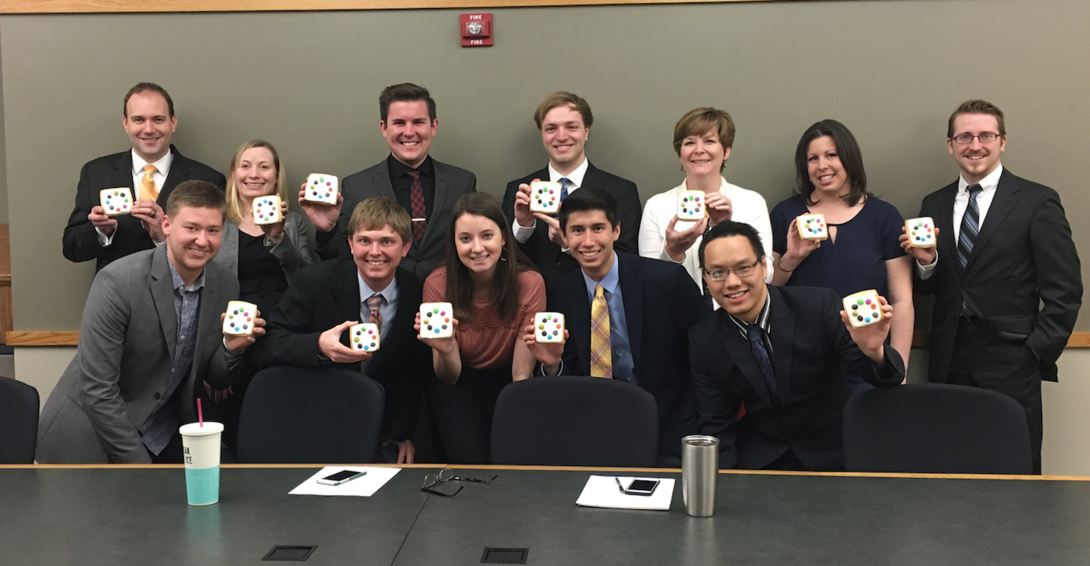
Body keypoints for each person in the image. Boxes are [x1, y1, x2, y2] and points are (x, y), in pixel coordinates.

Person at [902, 100, 1082, 474]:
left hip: (1013, 360)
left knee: (1014, 466)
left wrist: (1033, 353)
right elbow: (935, 287)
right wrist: (926, 261)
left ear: (1002, 142)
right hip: (949, 361)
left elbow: (1065, 291)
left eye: (985, 135)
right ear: (950, 145)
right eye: (964, 136)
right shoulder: (933, 203)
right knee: (950, 465)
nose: (975, 144)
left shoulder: (1037, 201)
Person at [38, 181, 262, 464]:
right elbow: (97, 391)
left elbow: (214, 378)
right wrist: (141, 470)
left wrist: (231, 348)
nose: (202, 240)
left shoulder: (225, 283)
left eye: (213, 230)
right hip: (91, 436)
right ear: (166, 225)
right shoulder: (117, 281)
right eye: (191, 228)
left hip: (162, 430)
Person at [689, 221, 905, 471]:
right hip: (763, 458)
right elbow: (717, 423)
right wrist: (726, 487)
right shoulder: (704, 338)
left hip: (837, 453)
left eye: (743, 268)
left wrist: (874, 352)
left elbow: (885, 380)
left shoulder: (818, 306)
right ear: (706, 277)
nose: (732, 282)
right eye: (717, 272)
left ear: (764, 265)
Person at [524, 188, 710, 465]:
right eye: (577, 230)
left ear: (616, 231)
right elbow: (568, 373)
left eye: (598, 228)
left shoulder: (666, 280)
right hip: (594, 430)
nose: (588, 241)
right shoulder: (561, 294)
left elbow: (708, 348)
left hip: (668, 429)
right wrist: (553, 364)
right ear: (563, 236)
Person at [253, 197, 431, 464]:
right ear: (350, 243)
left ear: (405, 247)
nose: (375, 251)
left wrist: (402, 433)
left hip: (381, 433)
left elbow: (412, 372)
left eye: (387, 241)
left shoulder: (417, 292)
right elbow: (269, 345)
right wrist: (319, 346)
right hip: (311, 423)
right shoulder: (314, 282)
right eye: (364, 241)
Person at [769, 120, 913, 390]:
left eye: (831, 155)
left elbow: (902, 299)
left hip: (867, 361)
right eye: (813, 158)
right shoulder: (785, 214)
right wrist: (791, 259)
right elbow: (767, 291)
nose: (822, 165)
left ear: (849, 158)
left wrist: (898, 369)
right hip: (800, 363)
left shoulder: (884, 217)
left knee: (865, 432)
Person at [199, 140, 314, 449]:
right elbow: (203, 290)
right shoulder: (217, 223)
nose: (255, 174)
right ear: (233, 173)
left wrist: (277, 237)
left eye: (264, 166)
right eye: (246, 166)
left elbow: (306, 278)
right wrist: (216, 364)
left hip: (282, 337)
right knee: (233, 430)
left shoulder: (293, 223)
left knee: (281, 429)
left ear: (276, 176)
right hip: (234, 337)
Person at [419, 193, 545, 464]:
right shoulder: (437, 284)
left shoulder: (530, 282)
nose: (477, 248)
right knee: (470, 461)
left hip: (508, 381)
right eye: (465, 239)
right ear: (454, 243)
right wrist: (446, 347)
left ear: (503, 237)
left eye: (486, 236)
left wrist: (517, 425)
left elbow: (521, 374)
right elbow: (448, 376)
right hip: (457, 383)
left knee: (511, 458)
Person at [305, 83, 476, 277]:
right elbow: (342, 263)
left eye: (418, 122)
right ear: (384, 128)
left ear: (433, 126)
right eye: (399, 123)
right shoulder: (356, 187)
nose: (409, 132)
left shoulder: (463, 182)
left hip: (447, 298)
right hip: (384, 301)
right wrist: (328, 230)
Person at [62, 82, 226, 272]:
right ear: (126, 123)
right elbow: (72, 249)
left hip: (179, 295)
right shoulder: (96, 173)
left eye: (158, 119)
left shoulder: (208, 180)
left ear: (173, 122)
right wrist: (100, 231)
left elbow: (217, 255)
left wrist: (163, 237)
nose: (148, 129)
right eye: (139, 120)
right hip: (115, 296)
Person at [502, 91, 642, 286]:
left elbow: (628, 260)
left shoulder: (620, 191)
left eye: (571, 127)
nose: (561, 136)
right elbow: (503, 261)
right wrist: (524, 226)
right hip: (536, 305)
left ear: (586, 131)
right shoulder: (518, 191)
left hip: (596, 303)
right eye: (551, 128)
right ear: (542, 133)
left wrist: (571, 245)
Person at [639, 107, 774, 307]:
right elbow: (649, 282)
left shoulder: (751, 202)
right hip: (678, 319)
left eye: (709, 141)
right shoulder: (657, 206)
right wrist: (672, 252)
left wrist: (726, 229)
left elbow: (766, 274)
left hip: (737, 317)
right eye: (689, 142)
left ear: (726, 151)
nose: (698, 150)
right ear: (680, 154)